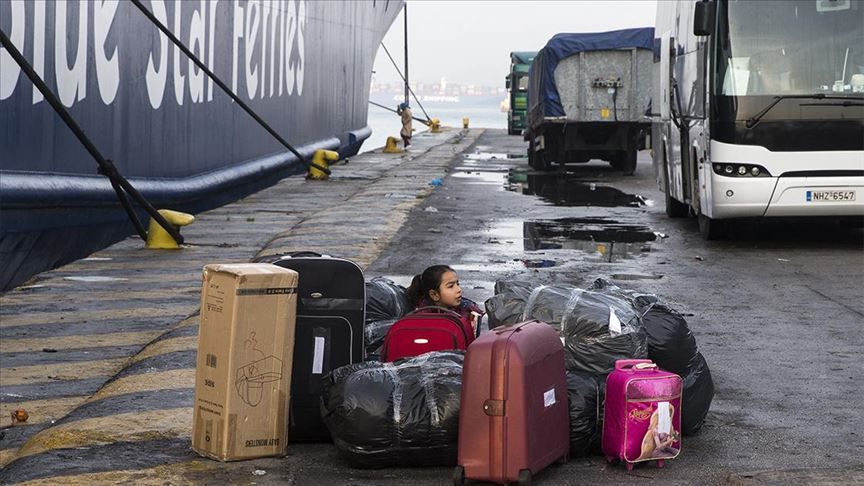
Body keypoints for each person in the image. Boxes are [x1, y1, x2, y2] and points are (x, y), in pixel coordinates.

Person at [406, 265, 484, 337]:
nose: (459, 290)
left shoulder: (468, 311)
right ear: (434, 295)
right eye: (450, 286)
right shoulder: (420, 317)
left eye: (458, 284)